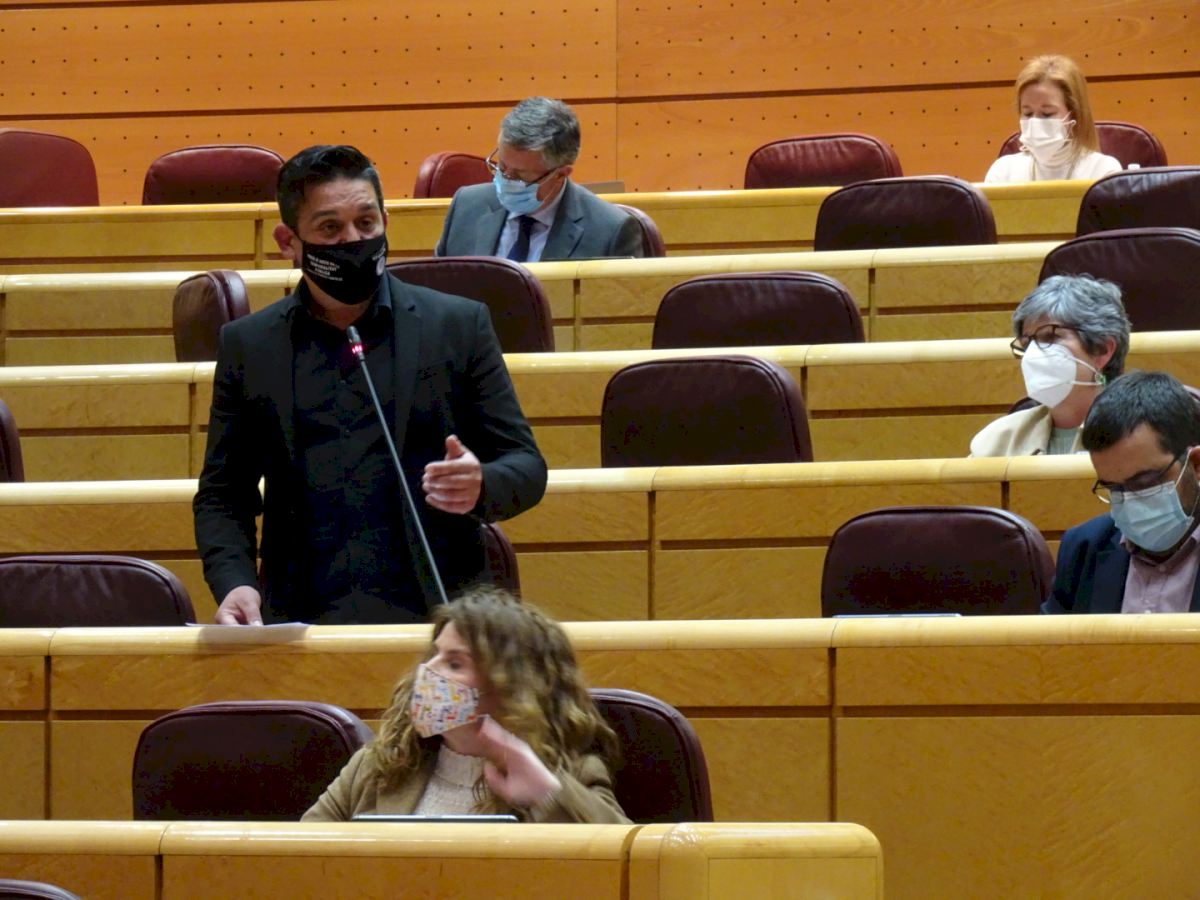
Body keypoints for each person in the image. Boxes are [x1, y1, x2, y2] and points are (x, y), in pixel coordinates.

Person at [193, 145, 547, 626]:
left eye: (366, 223)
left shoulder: (457, 327)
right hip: (300, 620)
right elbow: (224, 494)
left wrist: (482, 484)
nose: (353, 240)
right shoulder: (249, 345)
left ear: (385, 221)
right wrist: (235, 582)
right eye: (329, 228)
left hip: (438, 619)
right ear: (287, 241)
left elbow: (526, 467)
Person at [302, 589, 630, 822]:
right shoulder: (379, 764)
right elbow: (302, 862)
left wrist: (546, 794)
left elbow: (626, 864)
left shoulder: (574, 773)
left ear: (512, 689)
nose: (427, 671)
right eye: (434, 655)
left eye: (455, 663)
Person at [1044, 371, 1200, 614]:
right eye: (1114, 488)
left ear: (1196, 465)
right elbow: (1051, 639)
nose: (1130, 501)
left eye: (1144, 482)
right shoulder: (1083, 548)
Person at [434, 97, 644, 262]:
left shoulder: (609, 232)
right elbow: (437, 295)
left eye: (520, 176)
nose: (506, 179)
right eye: (501, 166)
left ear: (560, 174)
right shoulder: (466, 207)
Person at [970, 275, 1129, 457]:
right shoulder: (997, 440)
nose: (1033, 354)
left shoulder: (1141, 436)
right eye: (1027, 343)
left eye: (1050, 337)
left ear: (1102, 349)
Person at [984, 55, 1122, 183]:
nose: (1034, 122)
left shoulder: (1104, 171)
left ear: (1074, 114)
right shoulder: (1003, 172)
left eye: (1047, 113)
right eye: (1027, 113)